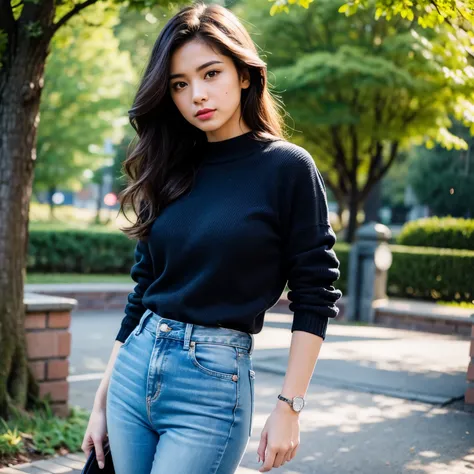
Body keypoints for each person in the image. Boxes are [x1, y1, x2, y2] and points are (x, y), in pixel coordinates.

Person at [81, 2, 342, 473]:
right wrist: (101, 399)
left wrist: (290, 406)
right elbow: (144, 289)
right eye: (180, 84)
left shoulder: (287, 168)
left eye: (211, 73)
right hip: (133, 370)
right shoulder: (170, 167)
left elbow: (315, 292)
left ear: (244, 74)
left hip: (211, 384)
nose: (197, 94)